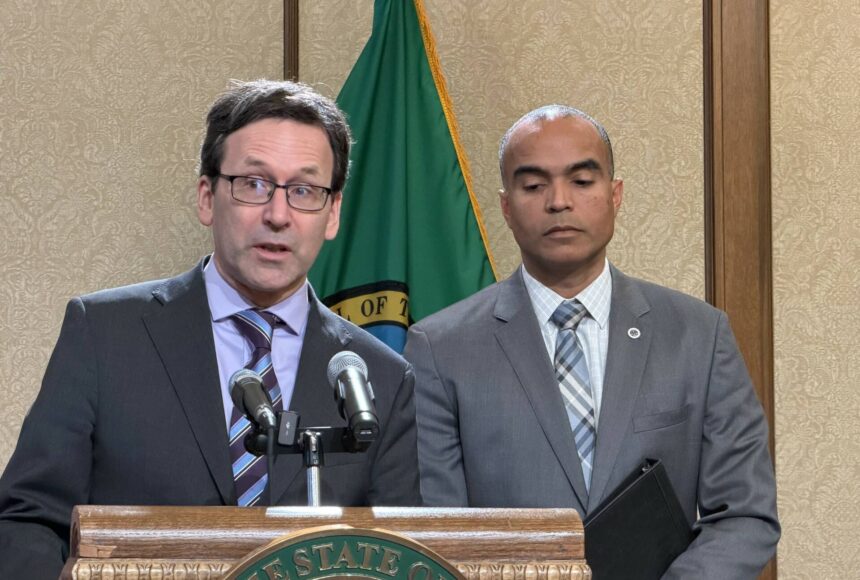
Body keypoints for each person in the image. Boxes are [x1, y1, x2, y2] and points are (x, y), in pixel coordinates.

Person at [0, 80, 420, 577]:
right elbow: (29, 521)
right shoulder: (104, 334)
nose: (278, 215)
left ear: (332, 215)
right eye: (254, 184)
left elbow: (401, 553)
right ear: (207, 197)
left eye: (305, 190)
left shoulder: (381, 377)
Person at [404, 105, 779, 577]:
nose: (559, 201)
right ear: (505, 205)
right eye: (534, 185)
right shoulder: (440, 348)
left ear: (615, 194)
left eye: (582, 181)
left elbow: (745, 514)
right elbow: (438, 535)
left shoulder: (699, 335)